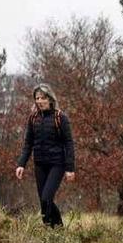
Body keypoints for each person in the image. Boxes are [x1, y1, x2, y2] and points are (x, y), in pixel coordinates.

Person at [15, 83, 76, 228]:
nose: (40, 101)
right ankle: (57, 230)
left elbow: (69, 144)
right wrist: (21, 164)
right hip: (40, 164)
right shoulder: (33, 118)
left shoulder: (60, 118)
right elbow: (28, 143)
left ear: (50, 99)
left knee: (46, 197)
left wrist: (70, 169)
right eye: (37, 98)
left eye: (43, 98)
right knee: (44, 201)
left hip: (57, 164)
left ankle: (49, 229)